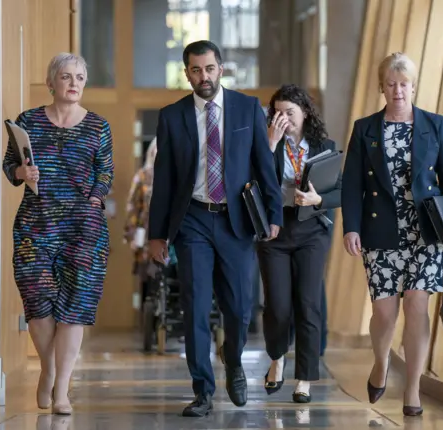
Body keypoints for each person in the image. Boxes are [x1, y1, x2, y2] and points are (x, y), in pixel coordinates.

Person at [147, 40, 282, 417]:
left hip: (235, 219)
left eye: (208, 68)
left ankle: (234, 362)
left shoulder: (246, 107)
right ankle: (202, 390)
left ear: (221, 68)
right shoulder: (172, 116)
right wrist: (158, 234)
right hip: (192, 220)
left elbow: (263, 165)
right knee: (193, 305)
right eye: (195, 70)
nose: (202, 77)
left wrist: (273, 215)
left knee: (239, 308)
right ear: (186, 72)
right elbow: (165, 180)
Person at [341, 52, 443, 416]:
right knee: (385, 314)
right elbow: (351, 183)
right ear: (381, 87)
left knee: (417, 305)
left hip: (426, 232)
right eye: (390, 84)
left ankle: (413, 388)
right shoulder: (365, 128)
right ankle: (381, 361)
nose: (397, 90)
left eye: (404, 84)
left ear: (413, 86)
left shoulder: (434, 124)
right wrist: (351, 227)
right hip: (379, 231)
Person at [2, 53, 113, 416]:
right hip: (36, 223)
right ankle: (47, 368)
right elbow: (9, 166)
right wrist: (22, 172)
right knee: (38, 303)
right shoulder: (28, 121)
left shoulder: (99, 126)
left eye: (80, 76)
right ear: (51, 82)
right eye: (66, 76)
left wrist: (95, 198)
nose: (73, 82)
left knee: (75, 309)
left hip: (85, 228)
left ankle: (62, 388)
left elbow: (105, 172)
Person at [258, 84, 341, 403]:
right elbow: (251, 178)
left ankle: (305, 377)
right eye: (277, 113)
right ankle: (276, 359)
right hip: (275, 230)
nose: (284, 119)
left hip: (312, 230)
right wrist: (270, 142)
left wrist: (318, 198)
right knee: (277, 305)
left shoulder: (325, 145)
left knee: (308, 304)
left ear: (305, 112)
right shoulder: (266, 143)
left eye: (289, 113)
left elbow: (340, 191)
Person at [124, 138, 157, 304]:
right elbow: (133, 206)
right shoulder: (142, 176)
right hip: (146, 232)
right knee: (148, 277)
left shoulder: (176, 173)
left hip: (172, 234)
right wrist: (131, 233)